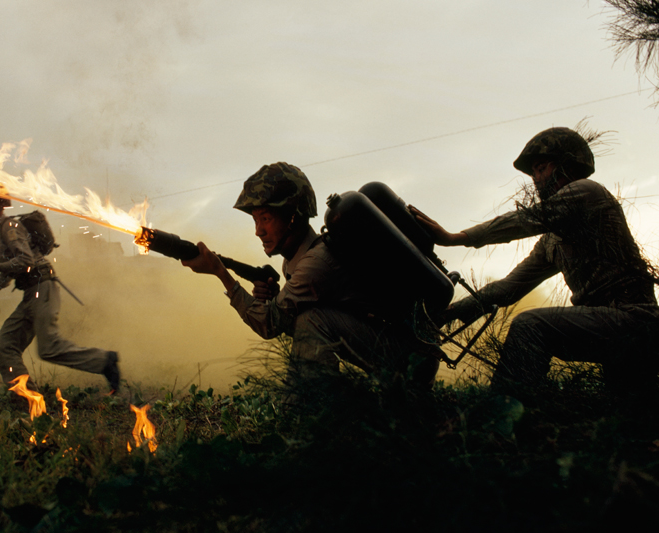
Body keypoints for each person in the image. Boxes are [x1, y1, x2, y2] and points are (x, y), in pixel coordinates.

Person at [411, 127, 659, 394]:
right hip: (608, 327)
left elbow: (524, 220)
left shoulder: (587, 192)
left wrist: (455, 238)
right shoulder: (553, 240)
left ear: (567, 165)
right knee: (630, 424)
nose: (537, 180)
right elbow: (508, 288)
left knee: (529, 326)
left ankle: (498, 424)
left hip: (633, 322)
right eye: (533, 174)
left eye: (541, 168)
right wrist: (447, 315)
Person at [182, 162, 440, 386]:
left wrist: (220, 273)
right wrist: (271, 299)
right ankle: (302, 405)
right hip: (398, 350)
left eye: (266, 218)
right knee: (305, 319)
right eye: (255, 220)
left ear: (293, 217)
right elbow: (286, 317)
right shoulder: (297, 260)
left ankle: (318, 415)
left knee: (312, 321)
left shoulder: (316, 263)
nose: (258, 231)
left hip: (412, 361)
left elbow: (270, 324)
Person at [0, 181, 121, 394]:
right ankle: (28, 398)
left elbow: (26, 261)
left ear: (0, 204)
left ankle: (105, 361)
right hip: (31, 293)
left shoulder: (9, 227)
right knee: (4, 347)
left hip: (42, 287)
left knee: (49, 348)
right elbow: (12, 268)